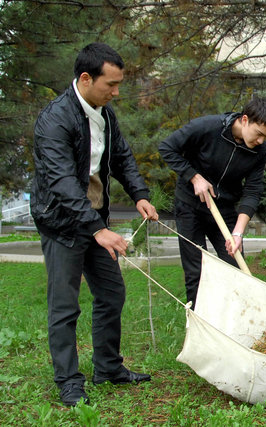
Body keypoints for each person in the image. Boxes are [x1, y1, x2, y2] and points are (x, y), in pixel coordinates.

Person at [31, 42, 159, 407]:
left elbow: (120, 156)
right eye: (111, 84)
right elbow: (62, 183)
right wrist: (97, 229)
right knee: (64, 307)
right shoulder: (54, 120)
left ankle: (107, 368)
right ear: (86, 79)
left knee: (111, 293)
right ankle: (69, 382)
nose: (116, 92)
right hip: (63, 225)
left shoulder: (104, 113)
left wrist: (139, 194)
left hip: (94, 222)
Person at [159, 97, 266, 307]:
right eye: (259, 134)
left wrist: (238, 232)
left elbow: (252, 191)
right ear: (244, 120)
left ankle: (238, 322)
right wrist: (194, 177)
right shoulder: (207, 127)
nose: (261, 141)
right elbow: (167, 148)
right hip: (189, 205)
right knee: (196, 270)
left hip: (224, 210)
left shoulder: (260, 151)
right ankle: (200, 325)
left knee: (235, 266)